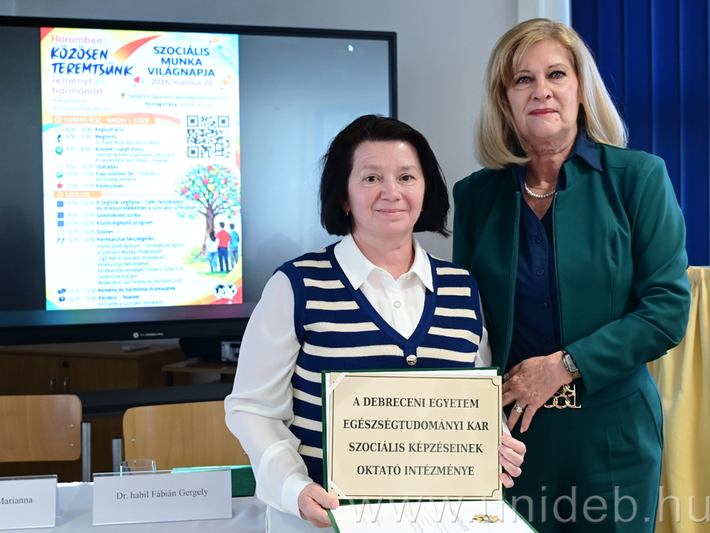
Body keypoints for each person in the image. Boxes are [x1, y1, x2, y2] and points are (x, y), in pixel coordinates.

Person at [226, 115, 527, 532]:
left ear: (425, 190)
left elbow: (473, 405)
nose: (391, 192)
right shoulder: (297, 286)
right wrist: (293, 487)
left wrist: (495, 445)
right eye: (371, 178)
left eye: (406, 177)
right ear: (344, 197)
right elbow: (251, 408)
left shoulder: (463, 289)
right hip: (325, 523)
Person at [452, 18, 690, 532]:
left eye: (556, 74)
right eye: (523, 79)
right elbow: (468, 326)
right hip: (511, 440)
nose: (541, 90)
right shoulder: (474, 196)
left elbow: (666, 311)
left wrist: (564, 365)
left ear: (580, 88)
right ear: (504, 100)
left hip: (614, 436)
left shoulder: (639, 178)